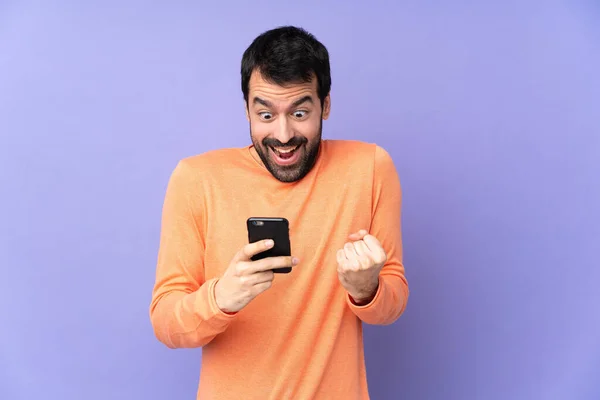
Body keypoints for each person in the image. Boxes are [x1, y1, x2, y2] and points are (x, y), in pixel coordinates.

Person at [149, 25, 409, 400]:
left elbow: (394, 301)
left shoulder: (370, 167)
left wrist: (367, 289)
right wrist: (221, 297)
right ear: (247, 110)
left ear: (326, 105)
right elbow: (165, 323)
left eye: (300, 112)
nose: (284, 134)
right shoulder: (196, 179)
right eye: (266, 115)